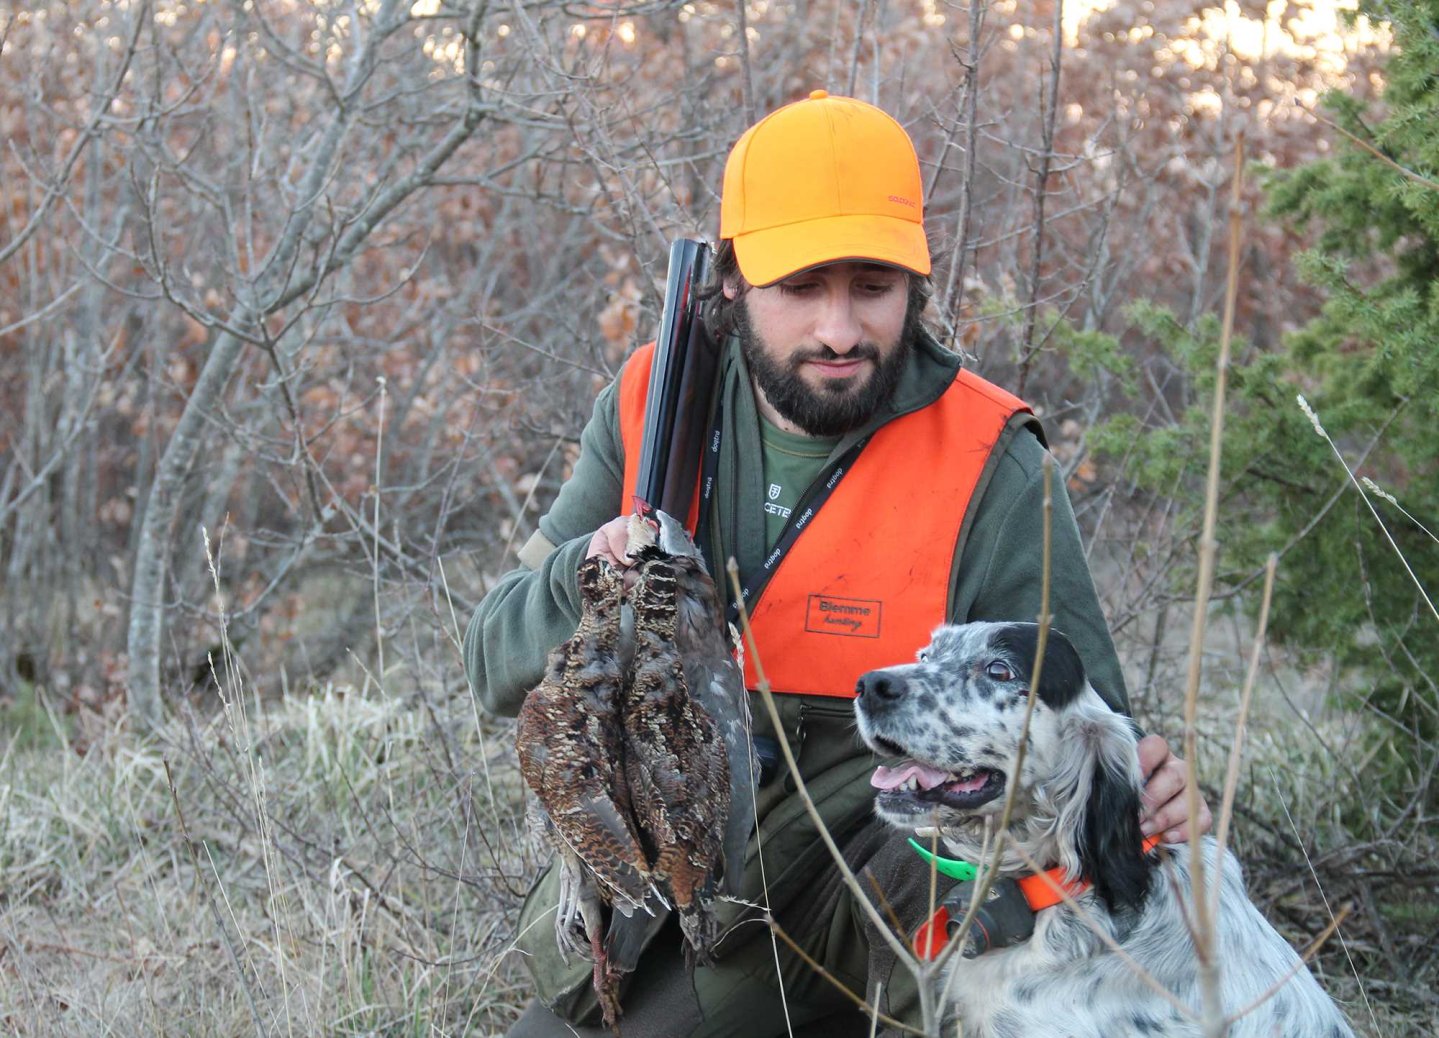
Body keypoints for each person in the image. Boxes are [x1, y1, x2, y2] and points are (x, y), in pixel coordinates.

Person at [465, 90, 1209, 1038]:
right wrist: (590, 571)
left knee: (953, 902)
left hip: (893, 876)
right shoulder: (652, 403)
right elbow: (492, 659)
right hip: (702, 875)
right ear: (731, 282)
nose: (841, 331)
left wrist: (1153, 787)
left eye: (871, 285)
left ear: (915, 286)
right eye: (802, 287)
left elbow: (1083, 726)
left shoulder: (991, 464)